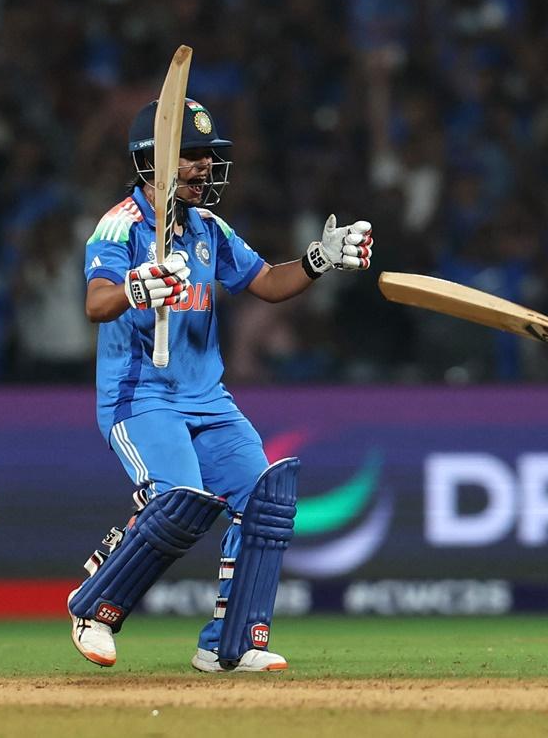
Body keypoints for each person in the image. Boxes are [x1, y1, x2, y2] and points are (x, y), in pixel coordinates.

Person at [67, 97, 373, 673]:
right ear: (153, 161)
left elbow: (266, 283)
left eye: (211, 156)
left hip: (207, 398)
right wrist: (139, 287)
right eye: (193, 156)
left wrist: (318, 260)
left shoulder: (208, 227)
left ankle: (230, 644)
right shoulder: (120, 227)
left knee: (264, 498)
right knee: (178, 500)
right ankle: (95, 607)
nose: (206, 167)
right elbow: (96, 302)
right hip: (141, 398)